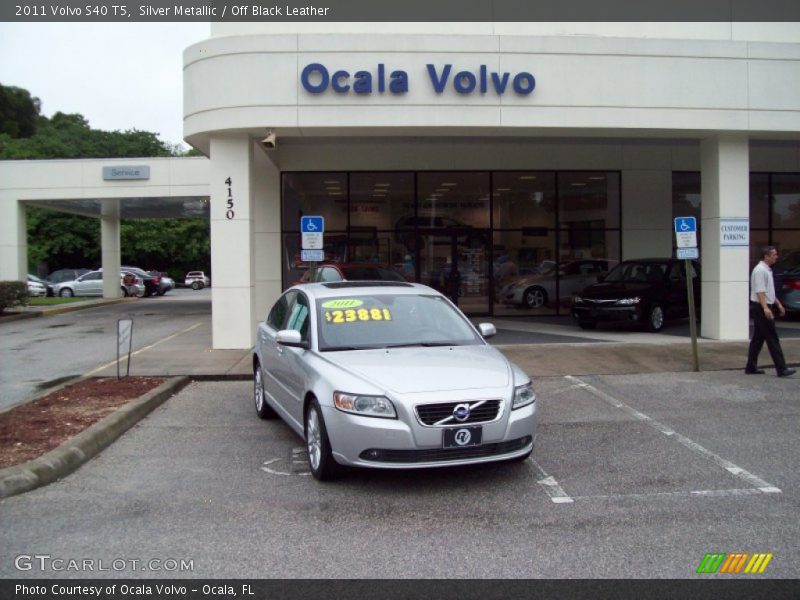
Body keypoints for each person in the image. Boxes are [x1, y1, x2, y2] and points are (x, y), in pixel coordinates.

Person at [745, 246, 796, 377]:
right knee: (772, 338)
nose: (776, 256)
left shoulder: (767, 270)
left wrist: (778, 304)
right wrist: (765, 308)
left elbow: (769, 291)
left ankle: (751, 367)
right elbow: (760, 291)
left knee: (758, 339)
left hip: (764, 305)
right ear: (766, 256)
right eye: (774, 255)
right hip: (761, 307)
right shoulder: (760, 271)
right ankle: (781, 368)